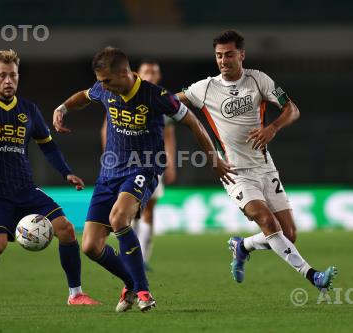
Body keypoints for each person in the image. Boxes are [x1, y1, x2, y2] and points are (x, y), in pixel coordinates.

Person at [53, 47, 235, 312]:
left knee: (118, 220)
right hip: (110, 171)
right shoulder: (104, 89)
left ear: (125, 72)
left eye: (107, 81)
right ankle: (131, 281)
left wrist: (214, 158)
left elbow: (194, 122)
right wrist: (62, 108)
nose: (103, 86)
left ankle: (143, 291)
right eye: (101, 81)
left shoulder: (156, 96)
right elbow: (84, 96)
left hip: (143, 168)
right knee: (91, 246)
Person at [176, 30, 337, 291]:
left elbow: (291, 109)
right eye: (218, 56)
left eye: (229, 54)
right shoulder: (204, 88)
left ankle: (243, 246)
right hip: (234, 171)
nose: (223, 61)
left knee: (289, 235)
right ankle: (313, 276)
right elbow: (172, 102)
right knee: (267, 222)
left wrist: (272, 128)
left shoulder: (258, 79)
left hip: (264, 166)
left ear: (241, 54)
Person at [0, 49, 100, 308]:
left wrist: (66, 171)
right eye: (2, 75)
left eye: (13, 75)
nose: (8, 81)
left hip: (25, 189)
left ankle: (76, 294)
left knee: (67, 230)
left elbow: (47, 145)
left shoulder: (29, 110)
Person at [100, 59, 177, 271]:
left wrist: (171, 164)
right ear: (138, 73)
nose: (150, 75)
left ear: (158, 76)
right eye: (146, 71)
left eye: (154, 71)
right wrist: (109, 156)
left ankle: (143, 257)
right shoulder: (122, 93)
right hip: (124, 163)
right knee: (130, 210)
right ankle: (130, 254)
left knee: (149, 208)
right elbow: (107, 128)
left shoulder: (161, 99)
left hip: (153, 163)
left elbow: (169, 136)